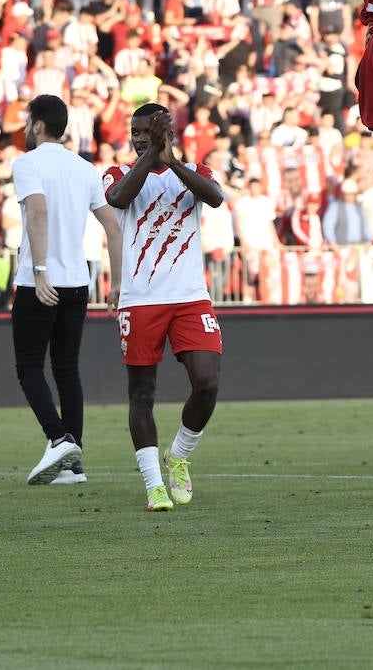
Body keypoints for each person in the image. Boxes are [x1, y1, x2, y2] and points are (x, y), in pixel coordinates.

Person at [104, 104, 224, 512]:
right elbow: (118, 199)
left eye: (148, 131)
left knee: (207, 382)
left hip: (190, 296)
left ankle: (179, 456)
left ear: (169, 131)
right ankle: (154, 484)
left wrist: (170, 161)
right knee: (141, 393)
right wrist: (149, 156)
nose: (140, 137)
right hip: (140, 299)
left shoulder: (194, 172)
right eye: (135, 131)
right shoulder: (120, 173)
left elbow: (216, 198)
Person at [13, 95, 123, 486]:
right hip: (78, 282)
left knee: (29, 367)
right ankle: (74, 464)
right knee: (66, 369)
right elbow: (112, 225)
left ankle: (59, 438)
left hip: (38, 282)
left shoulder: (27, 163)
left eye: (28, 122)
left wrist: (40, 271)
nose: (25, 129)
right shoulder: (85, 169)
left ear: (39, 125)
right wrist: (118, 281)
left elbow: (38, 211)